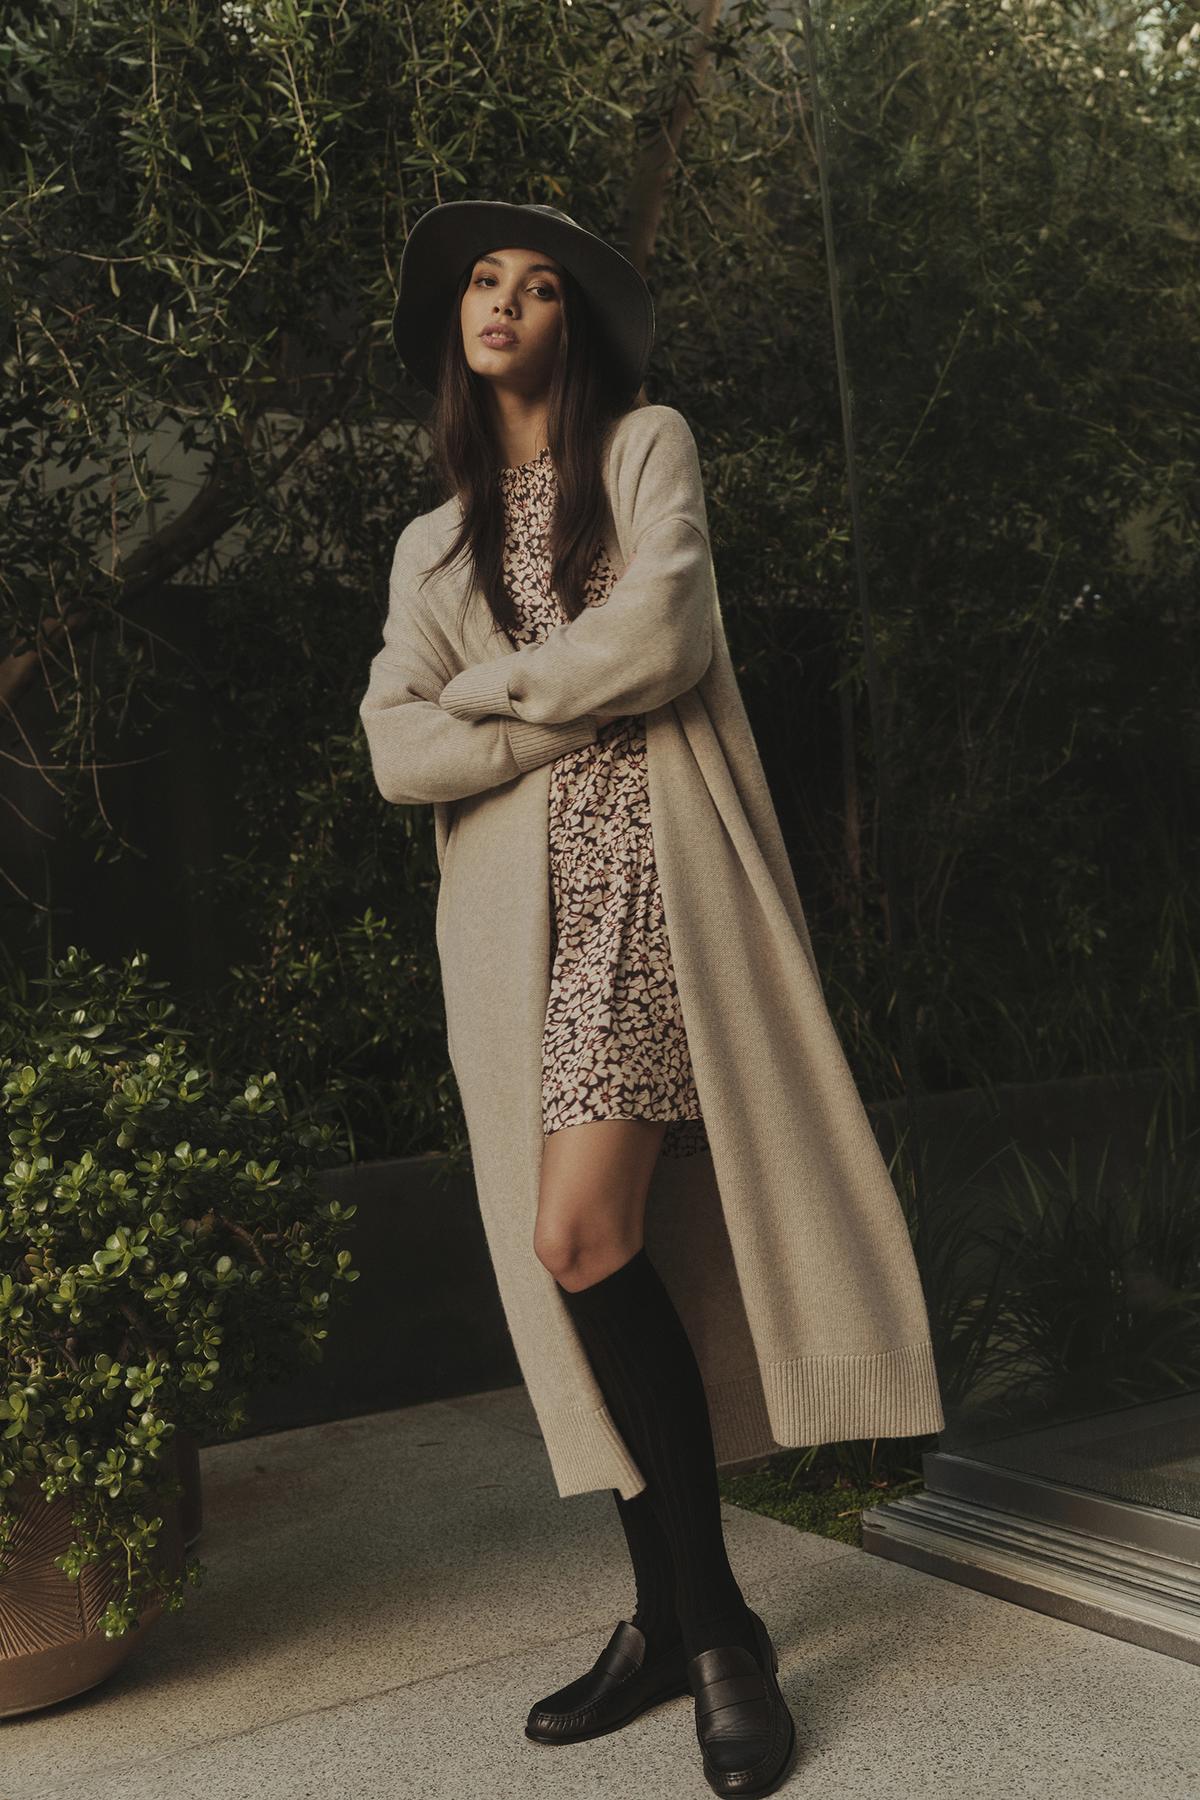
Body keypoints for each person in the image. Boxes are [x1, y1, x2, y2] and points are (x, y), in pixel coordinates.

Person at [362, 198, 942, 1799]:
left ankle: (719, 1637)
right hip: (510, 929)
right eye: (484, 281)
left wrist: (484, 697)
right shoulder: (428, 547)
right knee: (592, 1269)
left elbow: (663, 637)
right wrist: (553, 703)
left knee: (578, 1239)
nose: (505, 303)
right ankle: (667, 1618)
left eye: (538, 287)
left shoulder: (645, 451)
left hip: (649, 891)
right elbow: (390, 750)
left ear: (576, 329)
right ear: (456, 326)